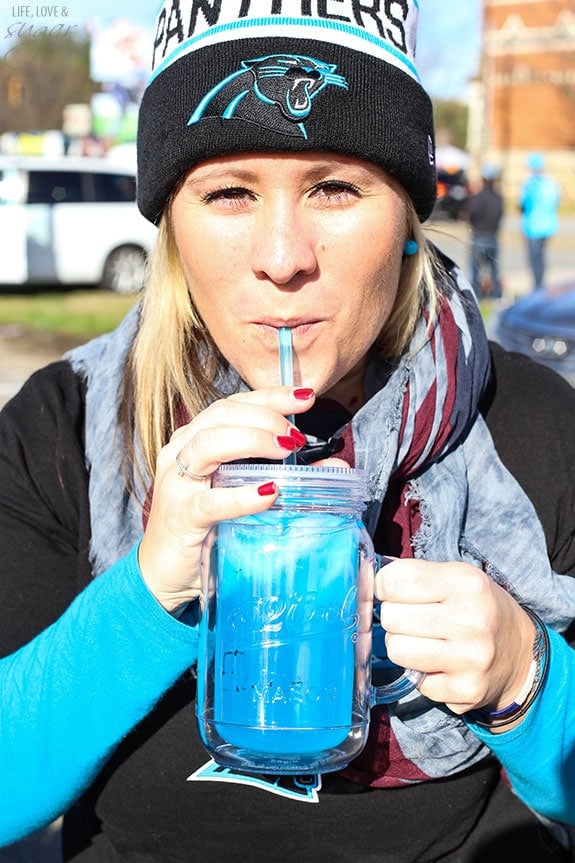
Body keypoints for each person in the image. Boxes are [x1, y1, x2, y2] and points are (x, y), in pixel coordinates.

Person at [1, 4, 575, 861]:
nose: (282, 255)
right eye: (228, 192)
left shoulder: (534, 423)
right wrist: (149, 585)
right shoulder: (64, 426)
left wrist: (529, 683)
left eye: (334, 187)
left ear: (408, 222)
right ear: (169, 228)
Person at [519, 152, 561, 291]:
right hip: (548, 225)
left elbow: (522, 204)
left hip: (533, 226)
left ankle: (538, 287)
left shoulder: (529, 184)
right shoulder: (551, 184)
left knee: (534, 258)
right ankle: (540, 284)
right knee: (541, 257)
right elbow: (556, 202)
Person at [462, 163, 504, 301]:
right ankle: (496, 295)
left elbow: (470, 214)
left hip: (479, 236)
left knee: (475, 270)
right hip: (493, 237)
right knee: (494, 270)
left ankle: (475, 296)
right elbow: (499, 215)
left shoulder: (478, 197)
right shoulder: (498, 198)